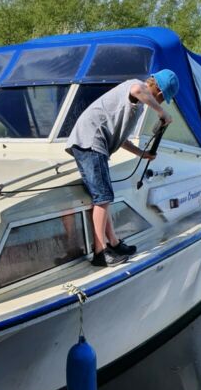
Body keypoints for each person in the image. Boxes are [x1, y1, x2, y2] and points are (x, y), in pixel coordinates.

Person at [66, 69, 179, 267]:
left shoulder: (135, 103)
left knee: (105, 196)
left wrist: (142, 154)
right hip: (91, 141)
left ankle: (114, 243)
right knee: (103, 198)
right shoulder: (137, 86)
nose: (160, 104)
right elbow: (137, 89)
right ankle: (100, 252)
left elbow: (121, 138)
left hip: (93, 142)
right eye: (162, 100)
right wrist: (162, 113)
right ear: (159, 93)